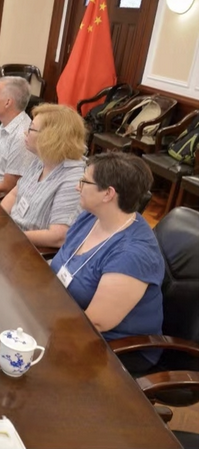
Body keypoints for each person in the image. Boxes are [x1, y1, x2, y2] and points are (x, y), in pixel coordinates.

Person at [50, 152, 163, 369]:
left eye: (84, 182)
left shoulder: (132, 254)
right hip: (68, 319)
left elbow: (96, 322)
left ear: (108, 194)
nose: (77, 187)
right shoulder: (91, 216)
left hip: (113, 348)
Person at [1, 104, 86, 248]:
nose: (25, 133)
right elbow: (15, 194)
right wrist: (0, 220)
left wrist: (10, 235)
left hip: (31, 249)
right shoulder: (42, 158)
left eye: (31, 128)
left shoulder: (73, 178)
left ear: (50, 137)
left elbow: (58, 236)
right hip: (11, 235)